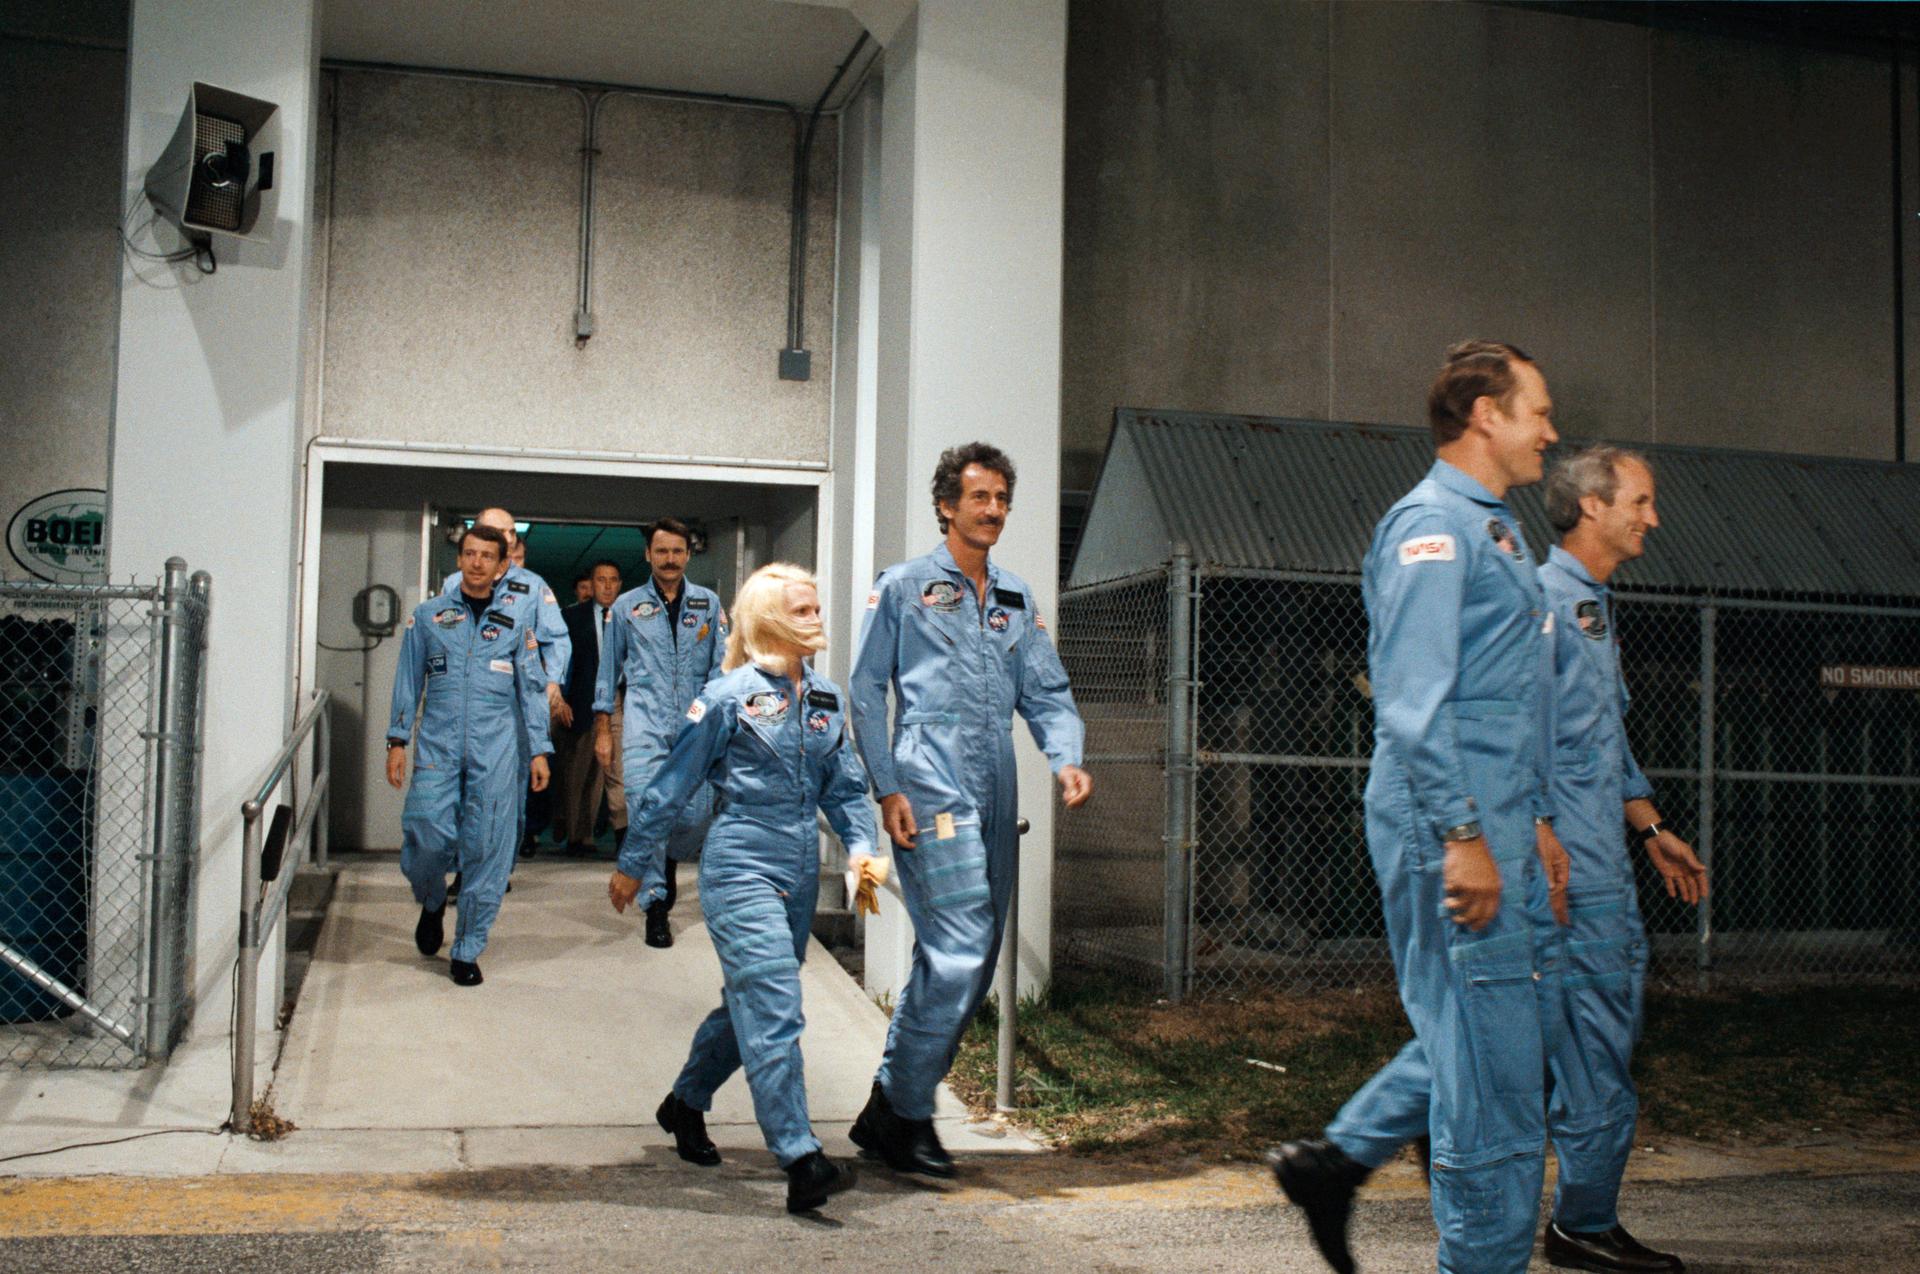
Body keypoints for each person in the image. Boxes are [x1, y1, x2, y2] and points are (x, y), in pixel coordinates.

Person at [1268, 341, 1570, 1274]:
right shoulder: (1428, 527)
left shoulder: (1499, 529)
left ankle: (1337, 1161)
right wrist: (1466, 836)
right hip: (1451, 817)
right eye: (1538, 412)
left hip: (1499, 816)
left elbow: (1508, 699)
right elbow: (1413, 701)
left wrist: (1538, 823)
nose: (1552, 433)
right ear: (1485, 414)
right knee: (1489, 1069)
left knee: (1504, 1034)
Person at [847, 442, 1092, 1177]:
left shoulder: (1016, 597)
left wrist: (1066, 754)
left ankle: (890, 1107)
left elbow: (1045, 692)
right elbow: (866, 691)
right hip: (929, 784)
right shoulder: (905, 586)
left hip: (996, 785)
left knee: (974, 960)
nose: (993, 510)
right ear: (947, 504)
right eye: (980, 497)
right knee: (957, 950)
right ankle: (908, 1113)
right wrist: (887, 787)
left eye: (1002, 499)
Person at [610, 563, 876, 1214]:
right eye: (806, 610)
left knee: (752, 1005)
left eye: (817, 607)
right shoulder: (726, 696)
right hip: (741, 859)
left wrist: (864, 850)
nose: (818, 619)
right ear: (771, 620)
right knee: (777, 1005)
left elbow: (844, 787)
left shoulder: (825, 698)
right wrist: (635, 860)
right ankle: (800, 1156)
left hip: (795, 864)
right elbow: (672, 783)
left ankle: (685, 1102)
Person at [1537, 447, 1707, 1273]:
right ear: (1593, 507)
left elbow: (1601, 739)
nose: (1653, 517)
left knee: (1593, 1045)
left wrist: (1650, 826)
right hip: (1571, 876)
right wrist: (1543, 842)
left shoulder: (1593, 608)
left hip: (1603, 858)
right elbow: (1515, 737)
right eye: (1640, 500)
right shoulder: (1544, 602)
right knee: (1594, 1047)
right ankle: (1582, 1224)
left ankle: (1577, 1216)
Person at [386, 523, 553, 986]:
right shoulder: (429, 617)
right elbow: (407, 680)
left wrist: (539, 749)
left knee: (487, 850)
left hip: (497, 748)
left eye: (487, 556)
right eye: (469, 554)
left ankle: (466, 948)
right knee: (425, 832)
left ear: (503, 566)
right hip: (438, 746)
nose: (477, 562)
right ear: (459, 560)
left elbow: (532, 689)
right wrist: (397, 740)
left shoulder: (517, 624)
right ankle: (432, 898)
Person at [594, 517, 726, 947]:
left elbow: (722, 669)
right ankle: (655, 904)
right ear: (648, 555)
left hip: (694, 727)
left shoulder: (708, 604)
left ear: (688, 554)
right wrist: (603, 730)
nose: (669, 559)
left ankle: (667, 857)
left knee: (696, 815)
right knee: (646, 808)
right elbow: (608, 671)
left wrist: (713, 719)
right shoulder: (627, 608)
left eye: (677, 551)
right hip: (644, 724)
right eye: (661, 551)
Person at [438, 509, 571, 859]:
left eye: (512, 533)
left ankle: (500, 863)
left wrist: (552, 682)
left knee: (509, 788)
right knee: (464, 786)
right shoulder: (453, 584)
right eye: (500, 532)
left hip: (515, 703)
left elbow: (557, 639)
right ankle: (468, 865)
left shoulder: (533, 586)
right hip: (466, 701)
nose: (508, 539)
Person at [555, 561, 624, 857]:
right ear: (591, 584)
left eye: (612, 580)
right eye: (601, 580)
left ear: (619, 585)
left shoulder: (629, 616)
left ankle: (617, 835)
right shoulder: (570, 617)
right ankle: (576, 834)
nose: (607, 586)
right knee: (578, 772)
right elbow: (560, 660)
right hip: (581, 699)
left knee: (613, 769)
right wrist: (560, 698)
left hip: (620, 698)